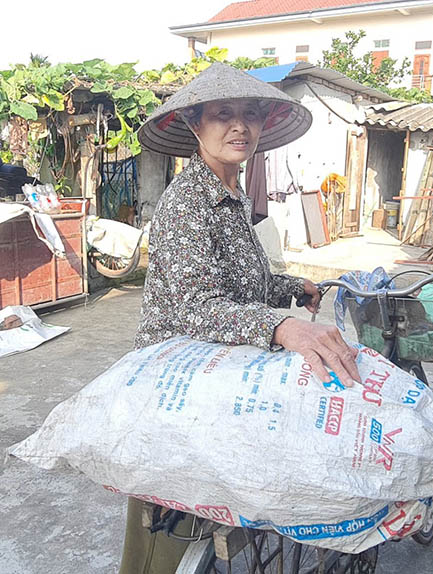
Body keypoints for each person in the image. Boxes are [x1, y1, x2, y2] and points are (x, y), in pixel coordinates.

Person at [120, 63, 361, 574]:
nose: (240, 127)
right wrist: (283, 326)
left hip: (216, 359)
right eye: (223, 115)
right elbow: (196, 305)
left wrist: (294, 288)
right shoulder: (188, 201)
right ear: (194, 125)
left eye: (250, 115)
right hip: (175, 374)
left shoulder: (231, 196)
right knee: (171, 520)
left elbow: (243, 284)